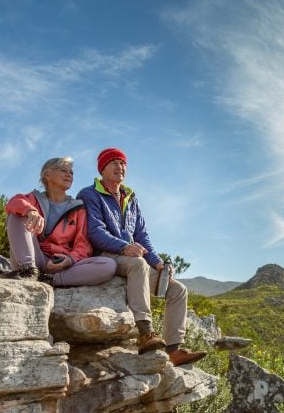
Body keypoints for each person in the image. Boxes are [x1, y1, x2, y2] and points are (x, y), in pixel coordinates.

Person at [77, 147, 206, 366]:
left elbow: (142, 236)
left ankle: (174, 349)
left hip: (132, 260)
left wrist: (157, 263)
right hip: (106, 257)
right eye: (115, 163)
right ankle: (145, 332)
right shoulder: (89, 194)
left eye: (123, 163)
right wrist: (124, 247)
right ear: (102, 168)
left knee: (178, 289)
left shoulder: (131, 198)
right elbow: (95, 232)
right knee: (138, 264)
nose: (121, 167)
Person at [2, 157, 117, 286]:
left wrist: (70, 259)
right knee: (16, 213)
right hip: (35, 257)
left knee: (108, 265)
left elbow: (83, 244)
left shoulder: (78, 207)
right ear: (47, 175)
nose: (69, 175)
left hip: (62, 264)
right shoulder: (34, 198)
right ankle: (28, 271)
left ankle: (50, 280)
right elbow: (14, 202)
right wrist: (30, 211)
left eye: (71, 172)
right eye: (63, 170)